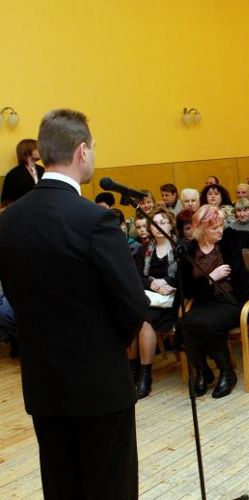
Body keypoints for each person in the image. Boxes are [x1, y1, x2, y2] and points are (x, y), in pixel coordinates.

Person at [0, 109, 148, 498]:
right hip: (99, 385)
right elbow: (132, 303)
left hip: (43, 385)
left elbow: (14, 296)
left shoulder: (8, 221)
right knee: (110, 488)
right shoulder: (94, 220)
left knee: (61, 487)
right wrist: (108, 344)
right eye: (93, 148)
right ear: (82, 151)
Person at [179, 205, 249, 398]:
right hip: (206, 301)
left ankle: (227, 372)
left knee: (208, 324)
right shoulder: (189, 250)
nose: (220, 230)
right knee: (183, 324)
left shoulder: (230, 238)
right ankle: (203, 371)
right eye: (214, 227)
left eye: (221, 225)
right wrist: (211, 277)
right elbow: (187, 288)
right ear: (201, 228)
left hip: (234, 300)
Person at [131, 207, 180, 399]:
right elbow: (136, 278)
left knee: (144, 320)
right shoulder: (143, 250)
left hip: (172, 301)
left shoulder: (180, 247)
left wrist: (167, 283)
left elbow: (184, 277)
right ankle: (133, 371)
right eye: (154, 223)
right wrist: (153, 283)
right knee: (130, 317)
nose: (158, 226)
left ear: (171, 225)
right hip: (149, 297)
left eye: (162, 222)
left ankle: (145, 376)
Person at [1, 138, 45, 207]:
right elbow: (6, 201)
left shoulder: (42, 170)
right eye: (37, 148)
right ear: (27, 152)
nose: (41, 150)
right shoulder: (14, 174)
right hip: (23, 209)